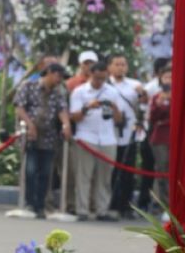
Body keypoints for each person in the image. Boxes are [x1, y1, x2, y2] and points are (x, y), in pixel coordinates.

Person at [69, 56, 133, 220]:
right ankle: (82, 209)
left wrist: (114, 107)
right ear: (91, 74)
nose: (99, 82)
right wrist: (87, 107)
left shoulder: (112, 92)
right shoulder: (80, 91)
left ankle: (102, 210)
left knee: (104, 178)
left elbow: (119, 121)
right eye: (97, 78)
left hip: (107, 138)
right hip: (86, 137)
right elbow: (74, 117)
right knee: (84, 176)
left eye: (103, 79)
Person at [14, 63, 71, 218]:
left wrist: (66, 125)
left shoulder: (59, 92)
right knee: (30, 170)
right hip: (31, 135)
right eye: (58, 76)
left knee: (46, 173)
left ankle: (40, 205)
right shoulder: (29, 86)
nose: (59, 80)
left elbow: (62, 110)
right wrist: (30, 125)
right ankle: (29, 203)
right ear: (49, 72)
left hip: (49, 137)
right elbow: (19, 107)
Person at [105, 53, 145, 218]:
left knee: (129, 171)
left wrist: (142, 93)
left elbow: (144, 104)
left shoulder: (134, 85)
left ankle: (126, 206)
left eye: (123, 64)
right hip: (110, 132)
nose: (120, 67)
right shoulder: (106, 84)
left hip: (129, 132)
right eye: (117, 64)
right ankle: (110, 203)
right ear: (109, 67)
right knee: (111, 170)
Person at [147, 63, 172, 207]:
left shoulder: (183, 94)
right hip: (160, 137)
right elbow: (152, 118)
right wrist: (160, 102)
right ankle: (163, 204)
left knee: (175, 171)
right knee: (162, 170)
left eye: (171, 77)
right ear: (161, 79)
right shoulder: (157, 96)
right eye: (166, 77)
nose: (169, 80)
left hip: (177, 137)